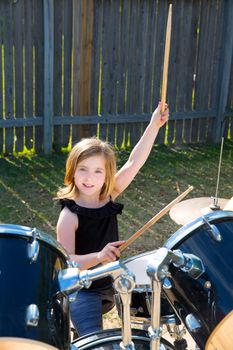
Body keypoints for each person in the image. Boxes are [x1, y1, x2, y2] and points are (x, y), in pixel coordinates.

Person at [56, 102, 169, 337]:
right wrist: (98, 256)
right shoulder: (69, 216)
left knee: (148, 325)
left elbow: (134, 162)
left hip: (115, 281)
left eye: (98, 171)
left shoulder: (109, 194)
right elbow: (67, 265)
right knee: (93, 341)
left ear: (107, 175)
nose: (90, 178)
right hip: (84, 290)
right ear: (72, 170)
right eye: (83, 169)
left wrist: (153, 126)